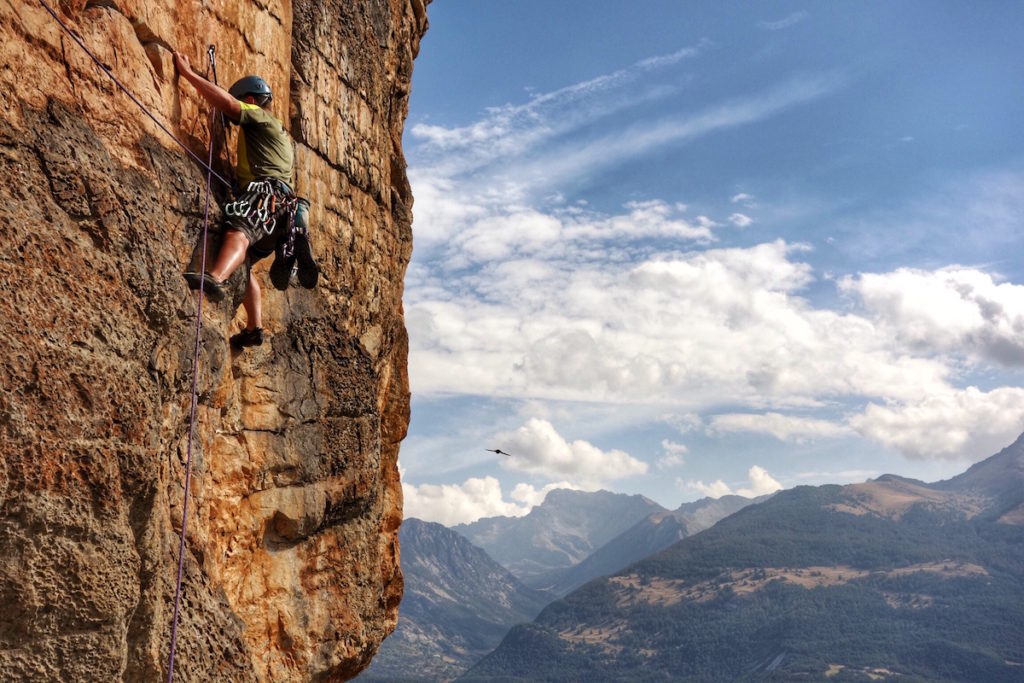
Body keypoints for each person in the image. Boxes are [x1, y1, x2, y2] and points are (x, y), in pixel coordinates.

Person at [173, 51, 317, 350]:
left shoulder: (259, 115)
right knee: (247, 262)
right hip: (282, 210)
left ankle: (215, 277)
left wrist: (188, 75)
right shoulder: (280, 135)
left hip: (264, 194)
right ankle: (254, 328)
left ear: (250, 99)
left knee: (238, 230)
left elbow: (227, 104)